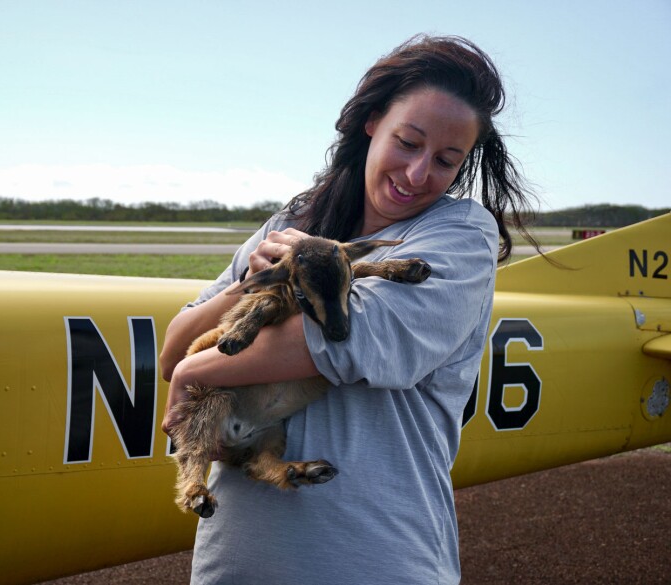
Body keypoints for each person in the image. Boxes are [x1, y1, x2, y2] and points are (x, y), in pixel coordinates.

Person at [160, 34, 535, 584]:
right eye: (407, 142)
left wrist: (198, 370)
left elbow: (343, 339)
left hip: (375, 560)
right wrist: (249, 285)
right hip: (238, 562)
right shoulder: (294, 219)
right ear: (372, 123)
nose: (416, 174)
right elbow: (173, 347)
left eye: (445, 161)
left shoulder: (458, 234)